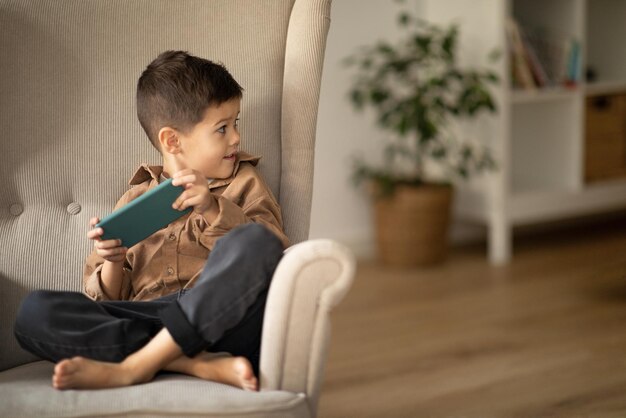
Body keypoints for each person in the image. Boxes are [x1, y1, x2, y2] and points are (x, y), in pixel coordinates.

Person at [13, 50, 289, 391]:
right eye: (222, 128)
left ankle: (136, 366)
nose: (235, 138)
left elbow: (272, 251)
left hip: (221, 319)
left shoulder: (244, 181)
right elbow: (105, 301)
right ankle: (189, 362)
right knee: (34, 313)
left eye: (236, 124)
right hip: (149, 316)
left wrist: (213, 208)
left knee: (256, 241)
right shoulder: (132, 200)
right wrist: (113, 262)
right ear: (172, 140)